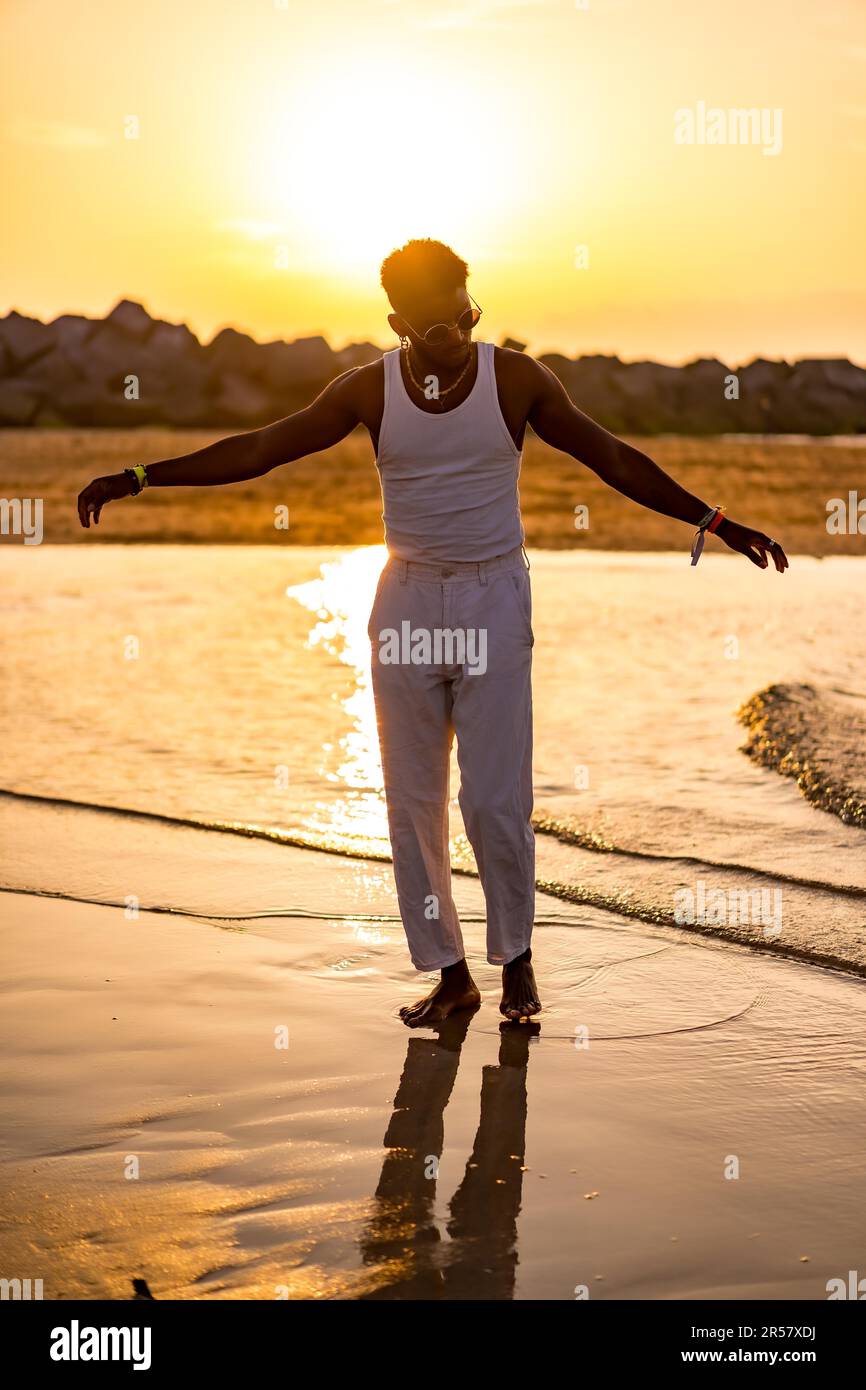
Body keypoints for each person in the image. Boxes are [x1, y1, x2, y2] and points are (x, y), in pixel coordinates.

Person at [77, 238, 788, 1026]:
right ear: (397, 322)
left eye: (455, 316)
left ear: (469, 300)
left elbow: (610, 457)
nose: (447, 338)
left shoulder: (515, 378)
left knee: (492, 801)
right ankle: (452, 974)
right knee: (411, 804)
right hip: (406, 602)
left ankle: (516, 963)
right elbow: (260, 449)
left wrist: (714, 520)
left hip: (493, 598)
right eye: (428, 327)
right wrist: (143, 475)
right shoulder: (367, 390)